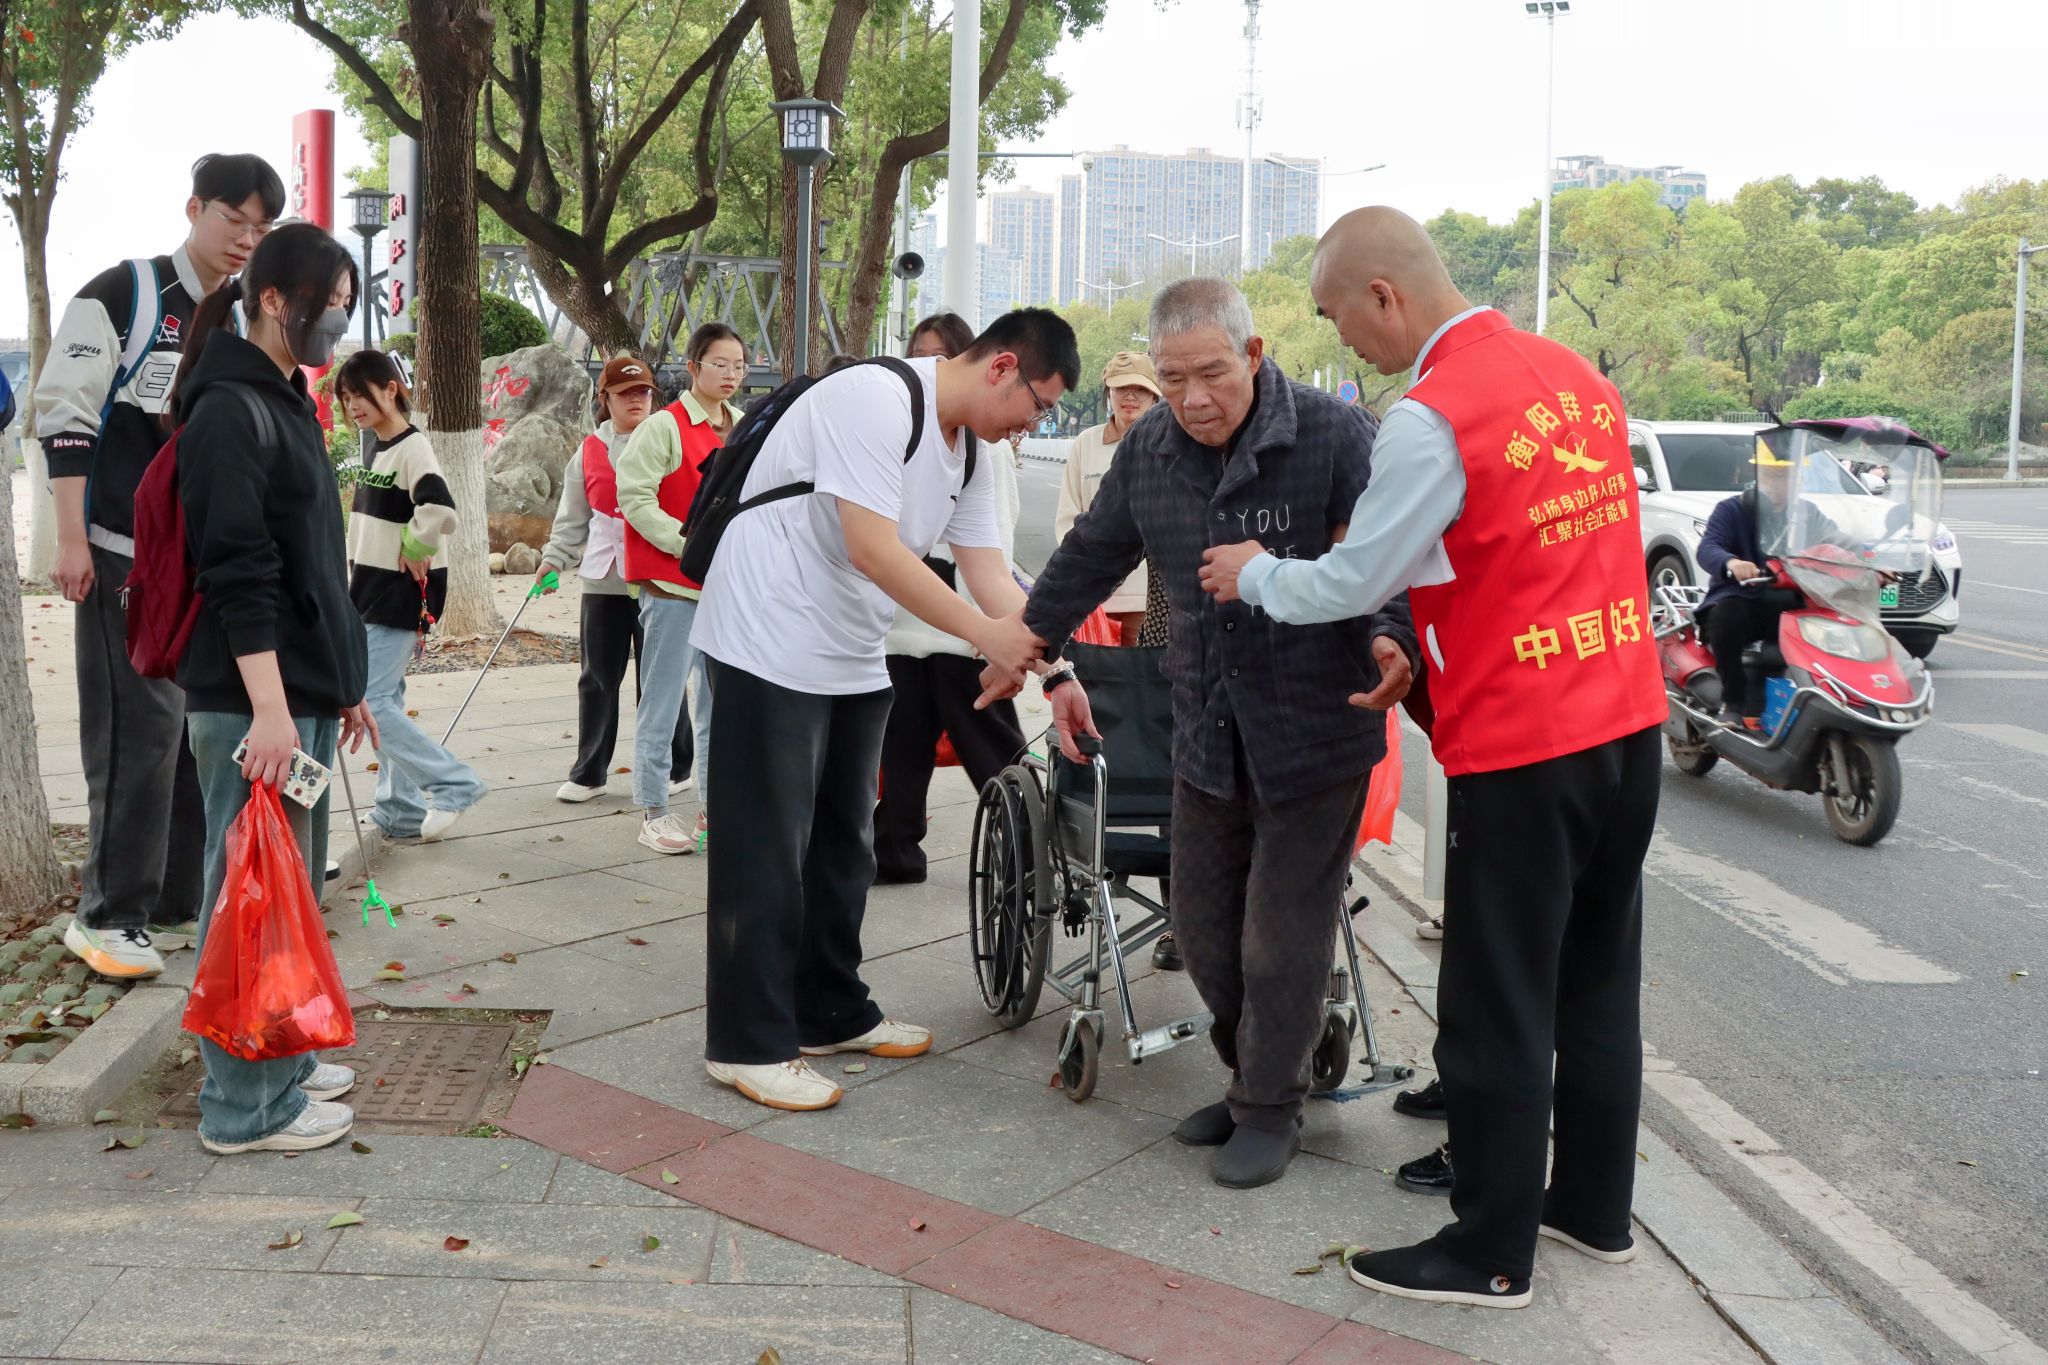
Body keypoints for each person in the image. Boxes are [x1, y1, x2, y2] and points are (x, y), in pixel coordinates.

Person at [1199, 207, 1668, 1307]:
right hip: (1625, 721)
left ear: (1383, 296)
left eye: (1336, 316)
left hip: (1524, 742)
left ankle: (1487, 1250)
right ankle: (1591, 1209)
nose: (1344, 341)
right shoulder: (1575, 379)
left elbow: (1354, 578)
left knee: (1499, 995)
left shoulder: (1433, 416)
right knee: (1597, 981)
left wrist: (1253, 572)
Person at [983, 278, 1418, 1190]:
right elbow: (1091, 552)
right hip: (1207, 726)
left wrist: (1391, 634)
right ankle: (1256, 1068)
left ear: (1254, 354)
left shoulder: (1333, 435)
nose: (1193, 399)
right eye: (1173, 378)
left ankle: (1268, 1104)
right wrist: (1029, 644)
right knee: (1202, 924)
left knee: (1281, 931)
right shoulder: (1151, 447)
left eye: (1212, 373)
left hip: (1316, 727)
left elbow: (1387, 558)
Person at [690, 309, 1078, 1113]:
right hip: (769, 630)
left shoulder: (971, 452)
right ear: (1002, 367)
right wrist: (984, 637)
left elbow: (990, 575)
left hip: (851, 646)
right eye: (1037, 405)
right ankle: (746, 1042)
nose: (1031, 427)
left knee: (846, 841)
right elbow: (871, 545)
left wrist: (1055, 665)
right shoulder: (876, 396)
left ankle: (830, 1010)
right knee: (767, 845)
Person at [34, 153, 284, 979]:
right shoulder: (126, 293)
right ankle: (107, 915)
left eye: (261, 227)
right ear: (193, 208)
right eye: (233, 218)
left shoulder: (248, 313)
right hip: (123, 557)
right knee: (134, 737)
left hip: (206, 567)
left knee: (194, 734)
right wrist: (71, 539)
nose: (245, 238)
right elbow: (65, 417)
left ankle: (176, 901)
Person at [170, 221, 377, 1153]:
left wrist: (341, 682)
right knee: (248, 903)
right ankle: (245, 1108)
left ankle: (280, 1066)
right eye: (326, 304)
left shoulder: (285, 397)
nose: (337, 321)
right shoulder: (228, 409)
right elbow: (238, 570)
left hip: (295, 696)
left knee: (285, 898)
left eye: (345, 305)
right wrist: (271, 709)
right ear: (270, 301)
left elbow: (313, 563)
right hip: (253, 703)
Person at [872, 312, 1028, 886]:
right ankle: (894, 850)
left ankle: (1028, 851)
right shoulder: (901, 424)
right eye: (918, 354)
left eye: (939, 354)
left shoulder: (985, 441)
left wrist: (995, 631)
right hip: (902, 621)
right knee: (901, 746)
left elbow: (995, 545)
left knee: (993, 749)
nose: (927, 365)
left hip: (963, 625)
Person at [335, 349, 484, 841]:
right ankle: (399, 809)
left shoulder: (412, 445)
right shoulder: (378, 446)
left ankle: (453, 784)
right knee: (387, 699)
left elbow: (439, 507)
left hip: (396, 592)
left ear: (391, 388)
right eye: (346, 397)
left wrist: (416, 545)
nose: (352, 405)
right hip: (369, 589)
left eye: (361, 394)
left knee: (373, 701)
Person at [537, 356, 692, 801]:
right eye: (625, 394)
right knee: (597, 678)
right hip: (604, 579)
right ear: (604, 398)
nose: (636, 400)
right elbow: (572, 517)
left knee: (661, 678)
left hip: (660, 579)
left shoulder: (671, 440)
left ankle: (675, 767)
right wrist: (553, 560)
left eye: (643, 392)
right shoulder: (589, 450)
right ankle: (589, 773)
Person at [615, 325, 744, 855]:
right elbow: (634, 496)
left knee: (719, 710)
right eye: (720, 364)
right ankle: (653, 811)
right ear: (693, 367)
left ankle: (713, 810)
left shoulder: (742, 426)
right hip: (672, 587)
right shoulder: (664, 426)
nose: (731, 374)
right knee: (663, 703)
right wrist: (686, 544)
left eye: (738, 365)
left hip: (724, 590)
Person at [1694, 441, 1812, 730]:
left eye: (1785, 476)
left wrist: (1870, 562)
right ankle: (1733, 703)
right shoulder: (1732, 510)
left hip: (1791, 604)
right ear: (1759, 475)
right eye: (1772, 475)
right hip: (1744, 599)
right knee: (1726, 616)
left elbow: (1839, 543)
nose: (1778, 483)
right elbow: (1708, 548)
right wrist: (1731, 562)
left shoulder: (1807, 515)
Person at [1056, 351, 1164, 643]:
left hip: (1147, 600)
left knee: (1141, 670)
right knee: (1094, 671)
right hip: (1094, 596)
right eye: (1121, 387)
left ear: (1155, 395)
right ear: (1108, 392)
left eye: (1140, 389)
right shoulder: (1086, 443)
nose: (1130, 396)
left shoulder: (1168, 444)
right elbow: (1068, 518)